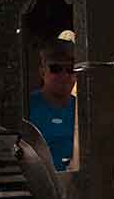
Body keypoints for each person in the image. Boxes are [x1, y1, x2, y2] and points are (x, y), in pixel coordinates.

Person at [29, 40, 78, 170]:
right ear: (42, 72)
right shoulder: (26, 108)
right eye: (55, 69)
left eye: (70, 69)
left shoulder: (83, 109)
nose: (64, 75)